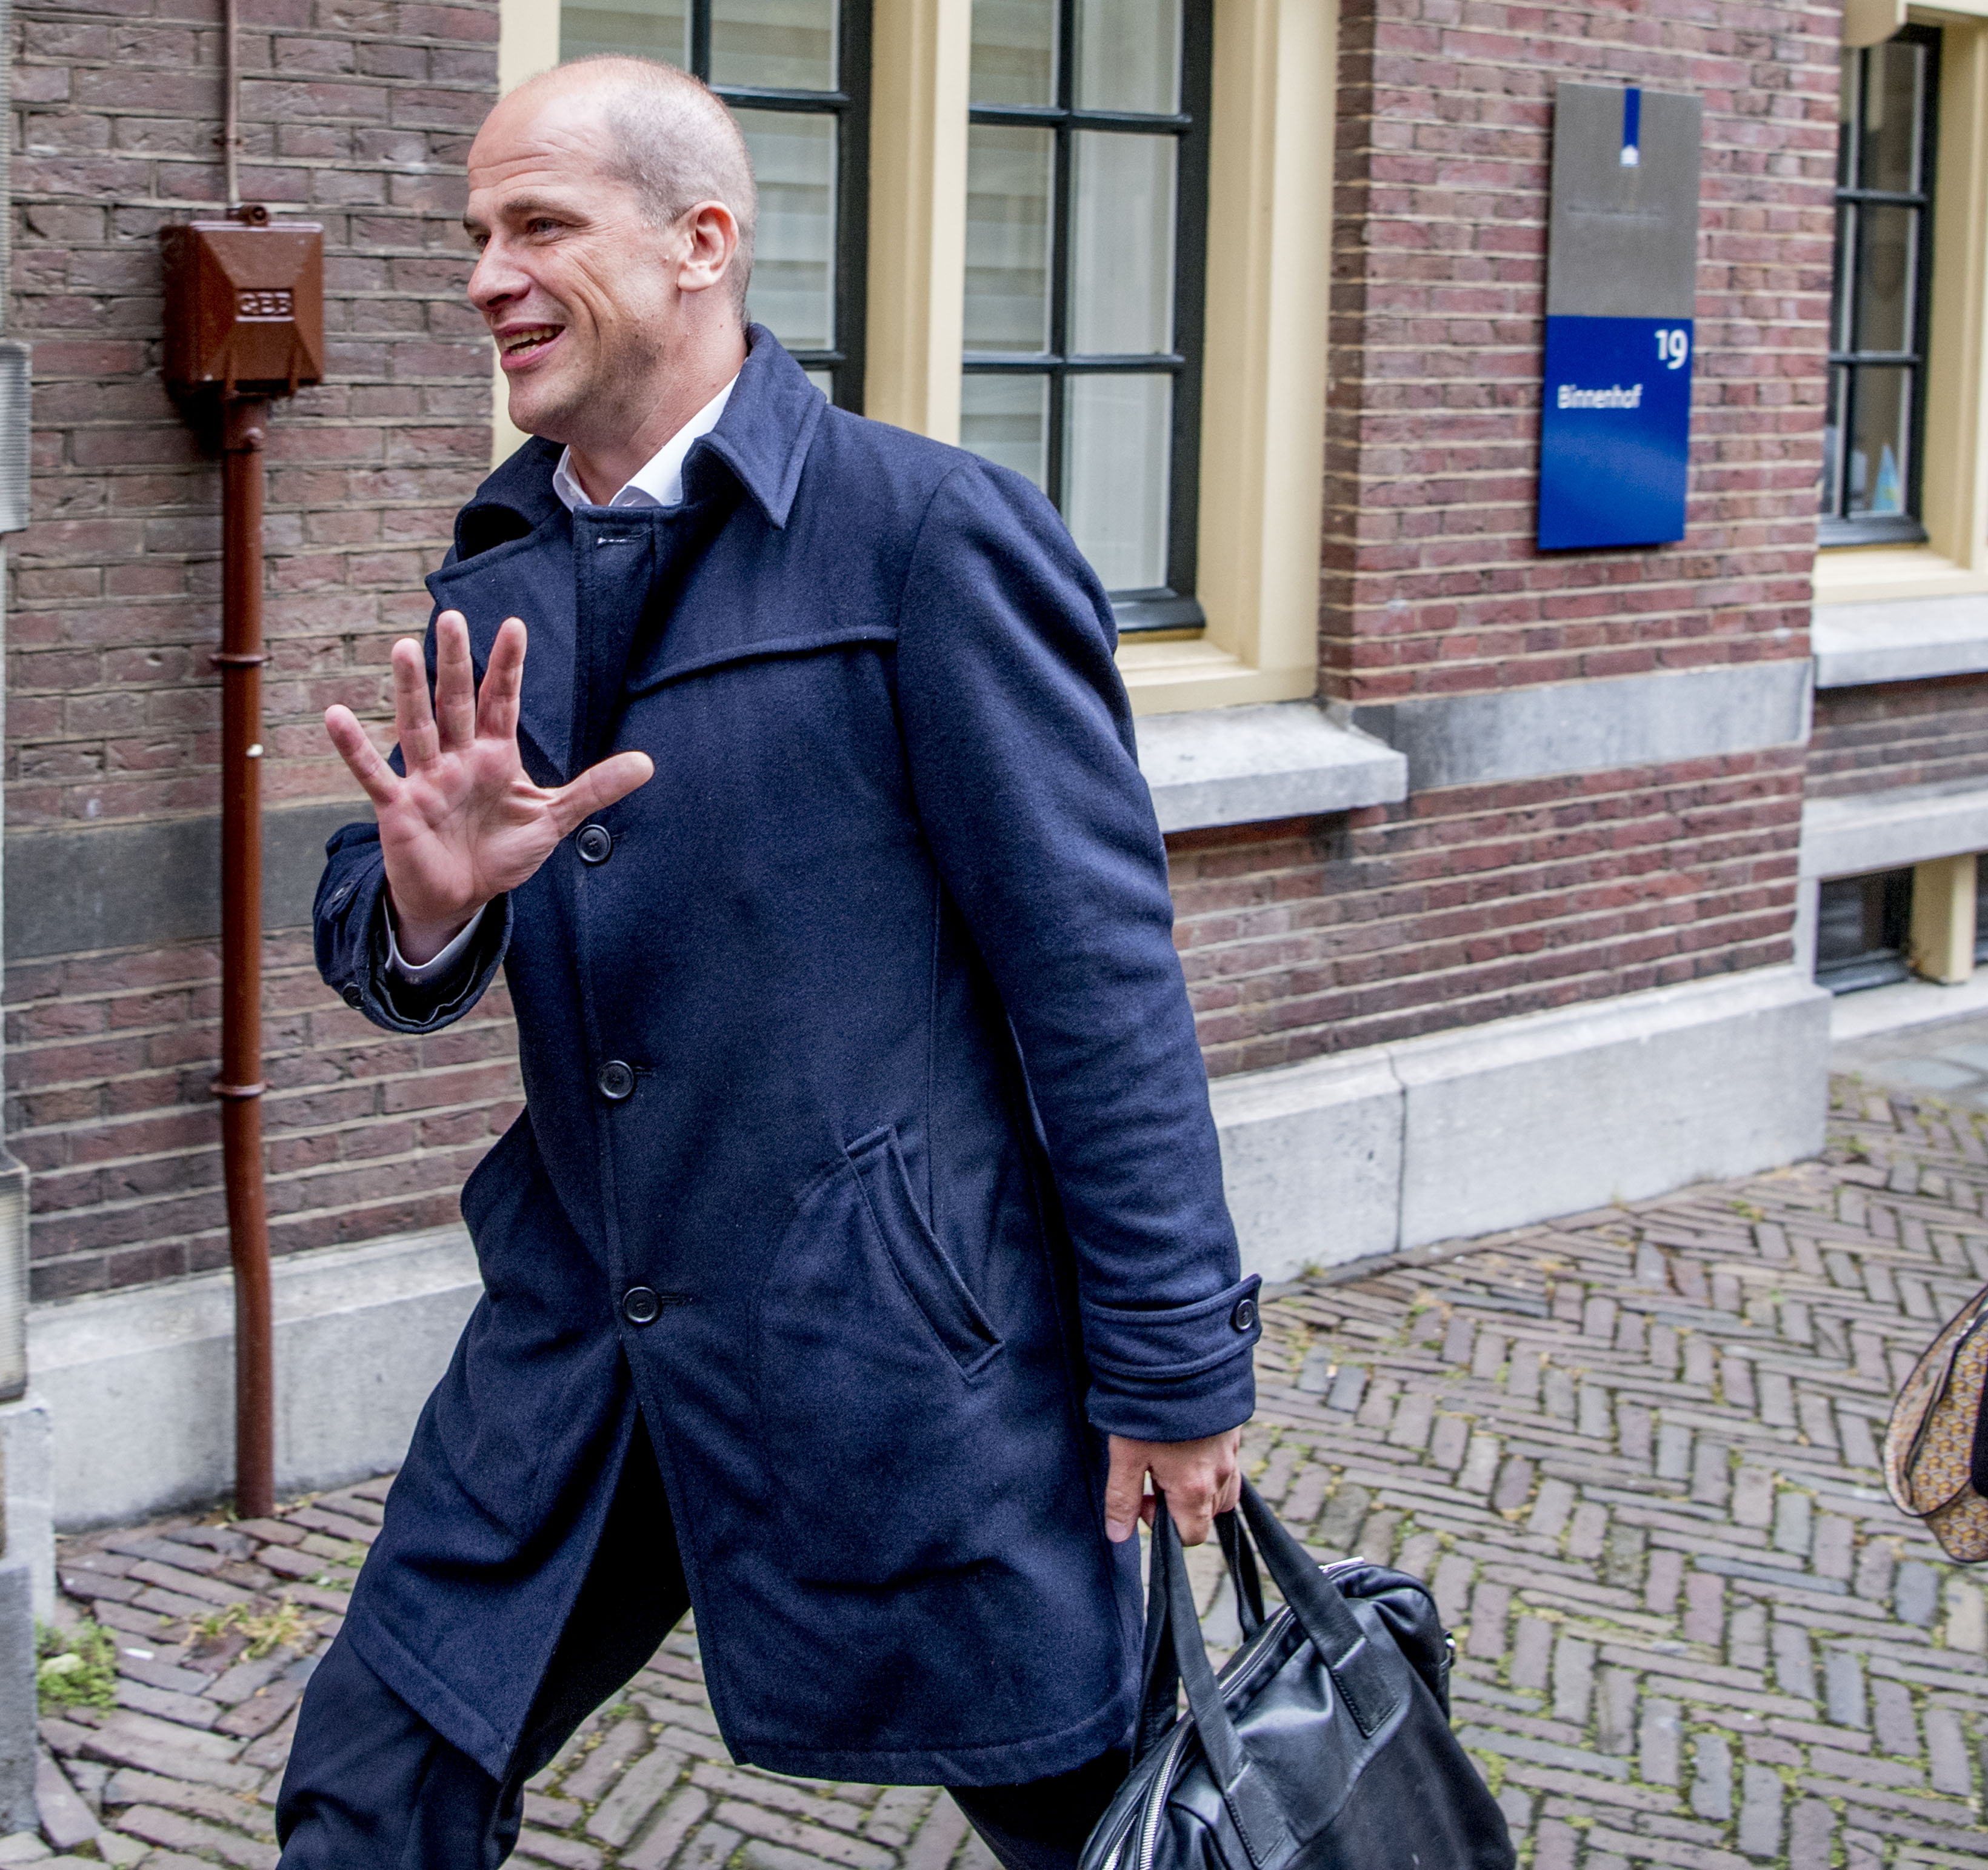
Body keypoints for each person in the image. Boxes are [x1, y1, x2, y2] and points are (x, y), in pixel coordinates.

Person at [272, 56, 1262, 1870]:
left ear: (702, 242)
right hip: (577, 1349)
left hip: (882, 1359)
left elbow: (1100, 982)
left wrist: (1175, 1366)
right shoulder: (496, 569)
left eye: (539, 226)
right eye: (477, 234)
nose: (484, 273)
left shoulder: (928, 537)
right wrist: (431, 900)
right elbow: (381, 924)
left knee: (1109, 1822)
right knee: (367, 1787)